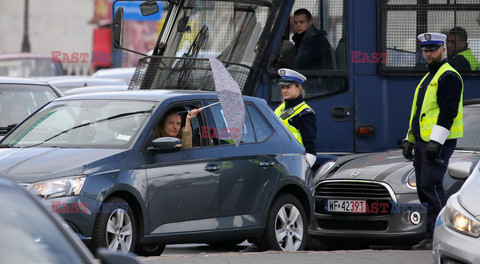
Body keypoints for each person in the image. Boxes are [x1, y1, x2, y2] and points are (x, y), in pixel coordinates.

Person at [402, 33, 463, 250]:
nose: (428, 54)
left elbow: (448, 112)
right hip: (422, 141)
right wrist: (409, 140)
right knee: (423, 190)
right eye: (425, 50)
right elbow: (419, 113)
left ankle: (444, 236)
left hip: (437, 142)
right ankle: (430, 235)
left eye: (432, 50)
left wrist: (435, 142)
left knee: (432, 186)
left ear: (443, 50)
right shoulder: (429, 76)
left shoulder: (448, 76)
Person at [274, 68, 316, 167]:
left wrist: (303, 169)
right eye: (282, 87)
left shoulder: (305, 113)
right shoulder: (279, 109)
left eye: (288, 87)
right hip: (280, 161)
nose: (284, 90)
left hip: (295, 163)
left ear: (298, 87)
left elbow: (311, 150)